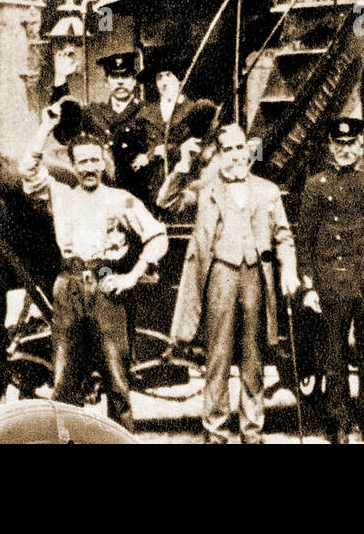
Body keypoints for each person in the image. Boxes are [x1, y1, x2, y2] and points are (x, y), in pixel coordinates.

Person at [20, 105, 169, 432]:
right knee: (63, 383)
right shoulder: (60, 195)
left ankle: (122, 440)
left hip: (105, 286)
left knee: (117, 382)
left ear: (103, 163)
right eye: (82, 161)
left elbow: (158, 237)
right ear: (72, 165)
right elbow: (28, 169)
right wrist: (45, 128)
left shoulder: (121, 199)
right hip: (68, 285)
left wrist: (131, 276)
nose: (89, 167)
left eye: (94, 160)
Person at [169, 124, 299, 444]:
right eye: (227, 150)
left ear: (249, 151)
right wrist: (183, 166)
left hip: (256, 276)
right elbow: (168, 200)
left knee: (254, 356)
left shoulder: (267, 190)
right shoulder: (205, 188)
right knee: (219, 354)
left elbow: (284, 237)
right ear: (219, 155)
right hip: (220, 275)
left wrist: (290, 271)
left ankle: (252, 430)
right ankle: (216, 430)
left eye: (240, 148)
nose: (236, 156)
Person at [296, 118, 364, 444]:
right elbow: (305, 240)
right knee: (335, 358)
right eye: (338, 144)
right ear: (330, 147)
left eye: (350, 144)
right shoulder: (317, 185)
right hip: (333, 282)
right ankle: (339, 424)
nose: (344, 150)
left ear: (360, 146)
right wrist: (309, 285)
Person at [52, 50, 160, 206]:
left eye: (125, 76)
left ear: (134, 80)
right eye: (115, 77)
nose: (120, 82)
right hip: (99, 199)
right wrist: (60, 79)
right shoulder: (93, 113)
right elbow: (65, 131)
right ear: (106, 82)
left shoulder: (149, 112)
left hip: (138, 199)